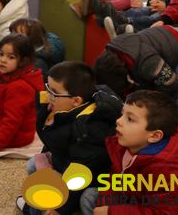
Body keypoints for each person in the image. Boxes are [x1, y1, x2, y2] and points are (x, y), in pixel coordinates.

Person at [16, 61, 121, 215]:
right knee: (33, 165)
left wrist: (59, 209)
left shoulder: (89, 130)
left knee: (74, 198)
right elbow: (54, 139)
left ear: (76, 101)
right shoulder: (61, 108)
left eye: (54, 92)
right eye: (47, 87)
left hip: (90, 176)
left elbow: (80, 175)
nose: (47, 95)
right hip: (67, 163)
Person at [95, 90, 178, 215]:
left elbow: (164, 212)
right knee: (90, 197)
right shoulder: (126, 143)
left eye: (130, 119)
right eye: (122, 114)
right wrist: (106, 204)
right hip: (139, 198)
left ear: (155, 136)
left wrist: (112, 212)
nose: (119, 121)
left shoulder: (168, 169)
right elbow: (114, 179)